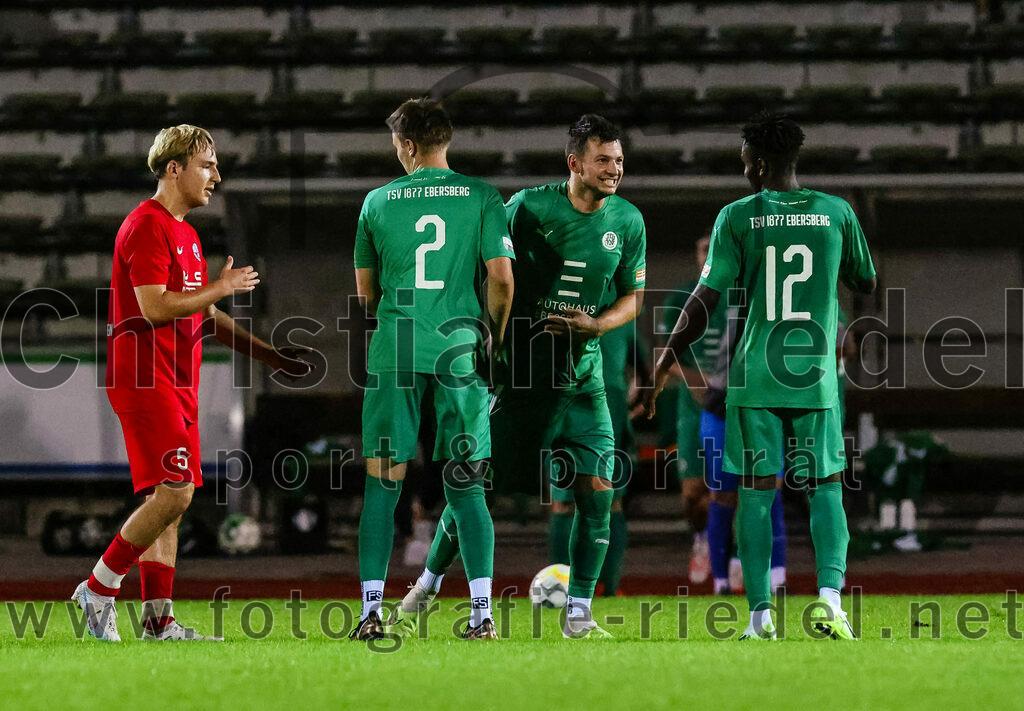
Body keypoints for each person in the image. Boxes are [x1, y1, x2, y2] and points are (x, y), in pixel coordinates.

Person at [398, 114, 646, 639]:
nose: (614, 169)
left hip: (585, 380)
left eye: (619, 160)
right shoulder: (528, 207)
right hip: (523, 379)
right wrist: (488, 339)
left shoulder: (628, 220)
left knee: (597, 490)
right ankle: (427, 582)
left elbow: (634, 296)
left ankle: (579, 614)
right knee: (477, 488)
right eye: (603, 160)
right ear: (574, 162)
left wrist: (598, 323)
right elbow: (489, 268)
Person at [72, 124, 314, 642]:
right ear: (174, 168)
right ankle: (98, 585)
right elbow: (155, 307)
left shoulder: (185, 233)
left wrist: (267, 354)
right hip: (144, 377)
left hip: (177, 381)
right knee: (177, 495)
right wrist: (221, 286)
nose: (216, 176)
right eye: (207, 165)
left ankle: (158, 623)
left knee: (170, 505)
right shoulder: (145, 226)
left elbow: (202, 315)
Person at [643, 111, 876, 640]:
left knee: (754, 491)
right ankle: (831, 601)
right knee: (825, 488)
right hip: (813, 373)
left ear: (762, 163)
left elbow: (704, 299)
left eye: (746, 163)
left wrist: (664, 361)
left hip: (754, 377)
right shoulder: (837, 212)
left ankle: (760, 617)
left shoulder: (737, 217)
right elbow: (865, 276)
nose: (744, 171)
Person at [351, 99, 515, 641]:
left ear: (406, 145)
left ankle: (371, 614)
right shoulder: (484, 197)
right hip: (459, 350)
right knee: (467, 488)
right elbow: (502, 279)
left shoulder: (376, 202)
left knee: (382, 486)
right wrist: (490, 335)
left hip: (396, 348)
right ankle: (482, 616)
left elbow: (366, 295)